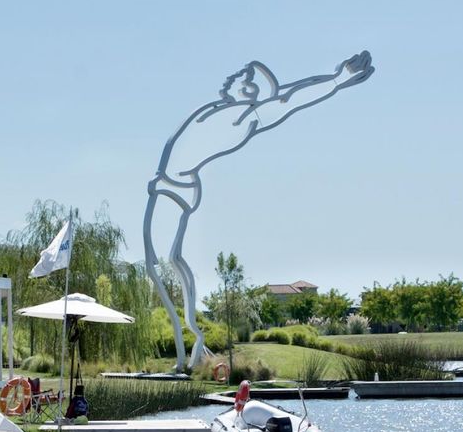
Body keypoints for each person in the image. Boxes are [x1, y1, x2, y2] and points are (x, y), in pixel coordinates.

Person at [143, 51, 374, 372]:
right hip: (171, 186)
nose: (236, 77)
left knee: (161, 264)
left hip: (173, 189)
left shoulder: (244, 116)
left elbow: (289, 101)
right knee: (171, 262)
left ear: (251, 94)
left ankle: (190, 346)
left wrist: (337, 80)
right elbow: (287, 92)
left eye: (246, 79)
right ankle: (192, 346)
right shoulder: (224, 109)